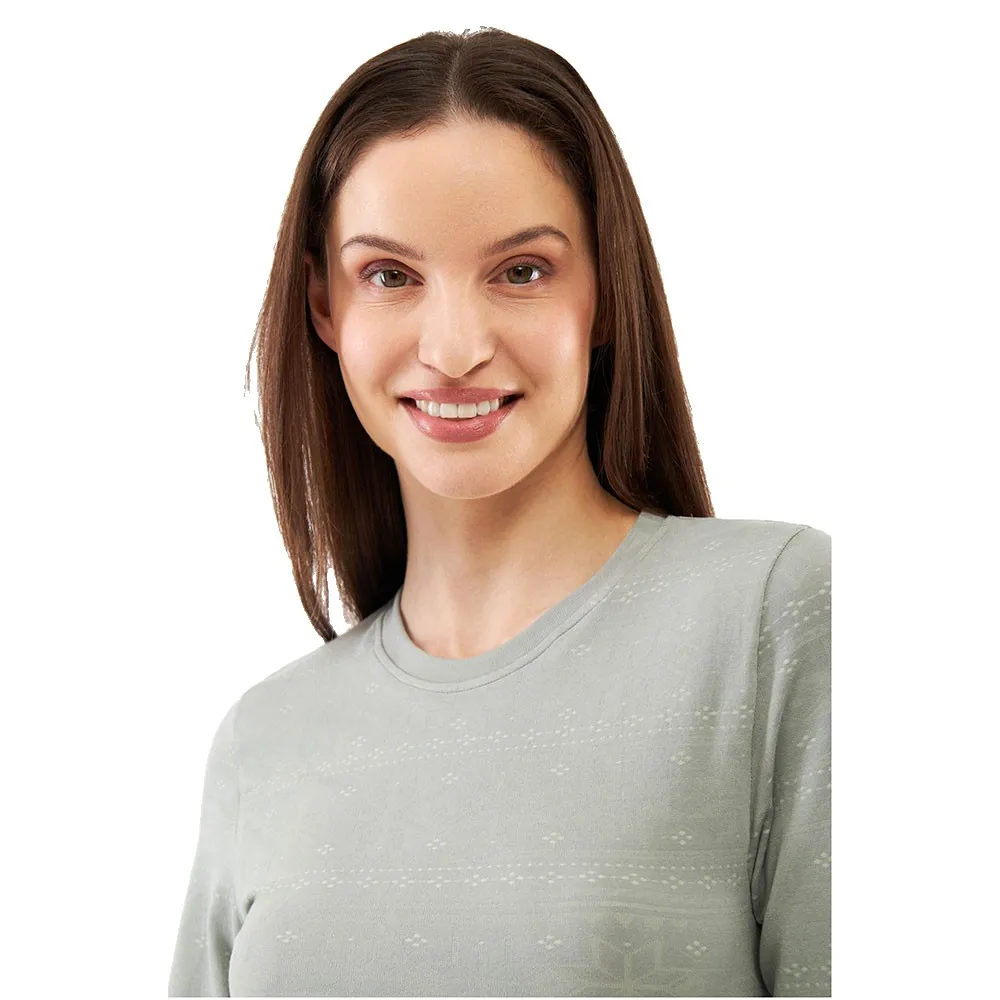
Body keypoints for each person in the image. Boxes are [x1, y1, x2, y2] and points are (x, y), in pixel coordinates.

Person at [167, 26, 831, 998]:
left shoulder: (774, 619)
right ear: (323, 306)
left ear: (605, 290)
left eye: (521, 270)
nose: (454, 347)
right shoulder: (261, 744)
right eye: (389, 275)